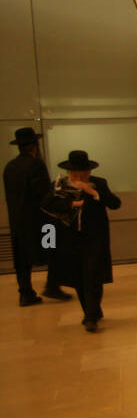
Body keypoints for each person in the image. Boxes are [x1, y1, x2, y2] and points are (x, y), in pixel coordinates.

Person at [41, 150, 121, 332]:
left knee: (93, 275)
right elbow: (46, 204)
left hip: (95, 237)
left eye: (84, 175)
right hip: (70, 239)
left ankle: (90, 317)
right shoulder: (59, 186)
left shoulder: (99, 184)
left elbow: (115, 203)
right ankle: (90, 311)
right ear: (69, 173)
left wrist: (93, 192)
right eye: (76, 175)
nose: (80, 178)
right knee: (79, 277)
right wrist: (71, 205)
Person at [3, 127, 72, 306]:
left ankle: (25, 292)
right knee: (54, 249)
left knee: (22, 257)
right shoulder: (36, 165)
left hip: (18, 221)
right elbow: (43, 194)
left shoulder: (10, 167)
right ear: (34, 146)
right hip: (41, 222)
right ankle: (53, 285)